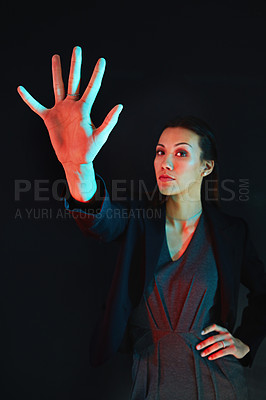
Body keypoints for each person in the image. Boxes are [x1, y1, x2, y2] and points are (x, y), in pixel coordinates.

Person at [18, 46, 266, 400]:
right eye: (160, 151)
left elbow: (263, 294)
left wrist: (246, 344)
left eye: (181, 153)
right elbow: (99, 221)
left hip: (218, 383)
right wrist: (79, 169)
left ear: (207, 166)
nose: (165, 161)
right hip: (150, 379)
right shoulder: (138, 222)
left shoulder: (231, 233)